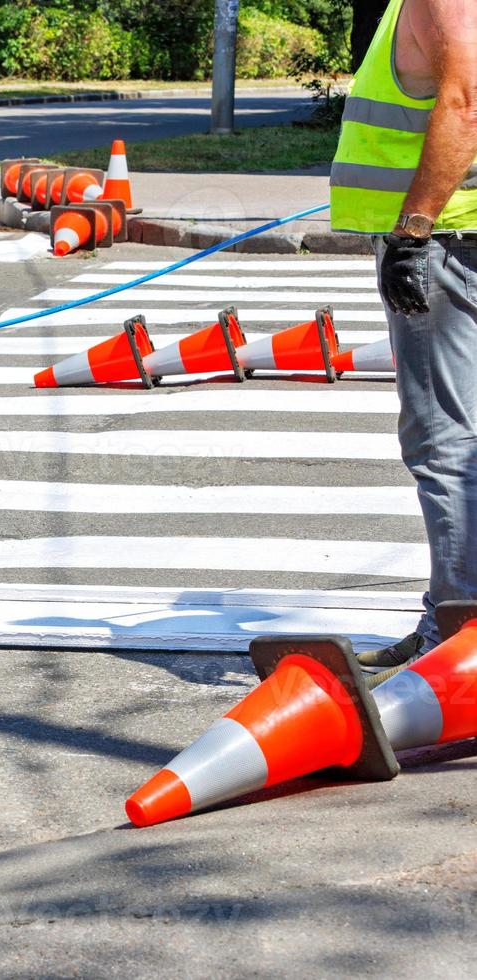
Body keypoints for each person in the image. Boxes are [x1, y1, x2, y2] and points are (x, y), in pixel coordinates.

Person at [329, 0, 477, 676]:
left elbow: (465, 101)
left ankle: (455, 634)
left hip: (448, 241)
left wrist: (411, 234)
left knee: (445, 439)